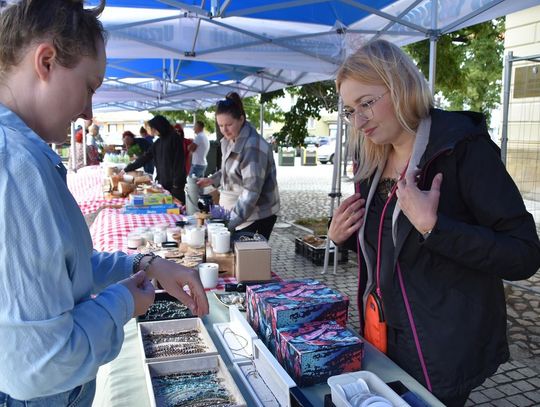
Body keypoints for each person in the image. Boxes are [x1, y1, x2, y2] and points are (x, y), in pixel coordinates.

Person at [0, 0, 208, 404]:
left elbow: (66, 269)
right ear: (46, 62)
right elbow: (43, 364)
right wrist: (125, 300)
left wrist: (144, 263)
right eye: (89, 87)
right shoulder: (14, 165)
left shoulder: (24, 156)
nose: (89, 111)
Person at [327, 39, 540, 406]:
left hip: (443, 347)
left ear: (401, 87)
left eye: (366, 103)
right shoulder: (372, 159)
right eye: (349, 110)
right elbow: (391, 245)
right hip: (382, 335)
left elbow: (523, 254)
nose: (358, 121)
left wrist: (435, 228)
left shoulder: (463, 148)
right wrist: (342, 236)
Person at [197, 92, 280, 240]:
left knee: (248, 262)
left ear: (241, 119)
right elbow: (232, 169)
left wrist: (228, 223)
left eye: (229, 124)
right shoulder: (229, 141)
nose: (224, 130)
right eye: (220, 125)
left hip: (255, 217)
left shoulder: (252, 147)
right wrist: (213, 179)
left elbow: (251, 192)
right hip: (238, 216)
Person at [124, 115, 187, 203]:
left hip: (175, 184)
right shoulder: (158, 142)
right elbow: (145, 158)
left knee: (178, 209)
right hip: (163, 182)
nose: (152, 131)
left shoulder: (174, 138)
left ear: (160, 126)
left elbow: (179, 162)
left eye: (153, 128)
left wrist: (177, 184)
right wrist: (127, 168)